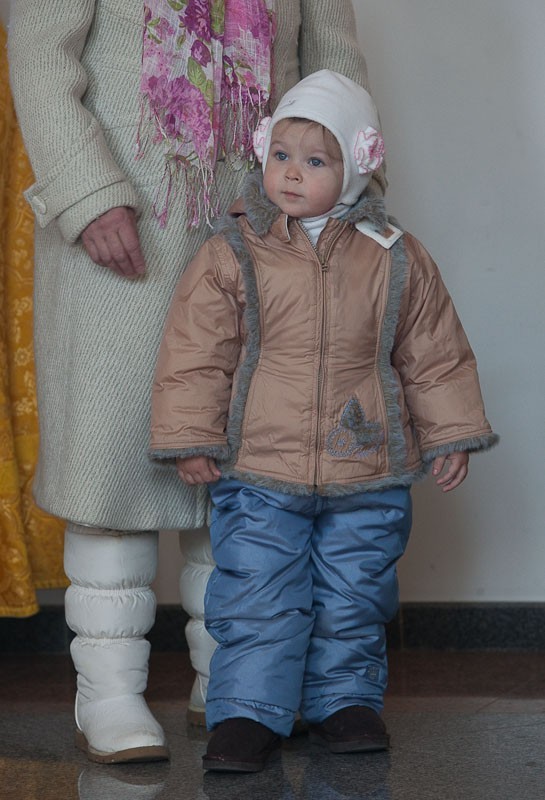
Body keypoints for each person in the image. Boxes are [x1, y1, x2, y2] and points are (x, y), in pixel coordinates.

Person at [8, 0, 384, 764]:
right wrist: (87, 193)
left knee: (248, 460)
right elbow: (41, 54)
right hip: (122, 221)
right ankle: (108, 695)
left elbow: (334, 65)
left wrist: (354, 204)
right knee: (111, 460)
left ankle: (234, 684)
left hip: (269, 225)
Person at [150, 70, 498, 773]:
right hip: (259, 468)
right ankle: (248, 714)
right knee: (258, 592)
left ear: (356, 167)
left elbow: (433, 352)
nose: (291, 173)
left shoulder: (394, 255)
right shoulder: (232, 251)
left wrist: (450, 434)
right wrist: (192, 436)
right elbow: (197, 351)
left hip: (366, 464)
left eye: (314, 161)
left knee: (354, 591)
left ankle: (344, 703)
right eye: (280, 155)